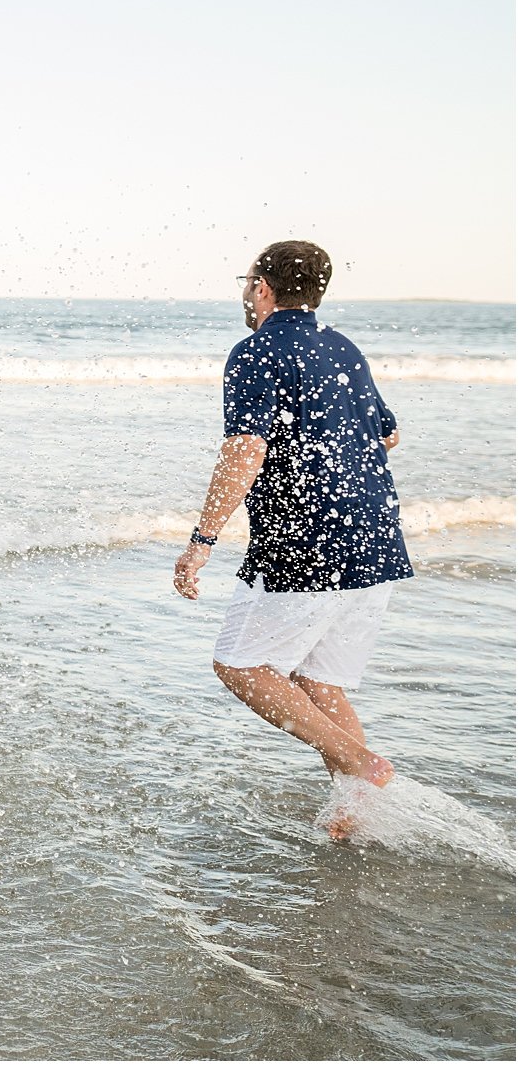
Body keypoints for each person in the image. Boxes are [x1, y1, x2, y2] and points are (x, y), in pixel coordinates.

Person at [173, 240, 411, 836]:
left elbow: (245, 449)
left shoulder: (256, 351)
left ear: (262, 288)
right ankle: (355, 812)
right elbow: (387, 437)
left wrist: (202, 540)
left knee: (240, 665)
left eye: (247, 279)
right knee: (315, 679)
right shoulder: (343, 348)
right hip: (376, 535)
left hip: (307, 541)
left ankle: (362, 766)